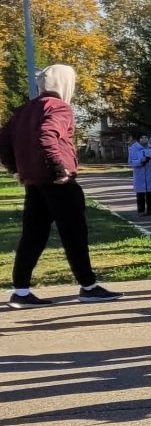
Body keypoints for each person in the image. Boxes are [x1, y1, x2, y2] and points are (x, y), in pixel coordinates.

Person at [1, 64, 120, 305]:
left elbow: (2, 142)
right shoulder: (60, 108)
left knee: (33, 235)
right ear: (66, 83)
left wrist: (16, 169)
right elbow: (47, 134)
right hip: (58, 181)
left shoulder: (24, 110)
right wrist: (58, 168)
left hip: (34, 183)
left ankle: (21, 290)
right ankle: (88, 286)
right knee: (74, 233)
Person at [128, 130, 151, 215]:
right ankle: (141, 210)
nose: (144, 139)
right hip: (140, 173)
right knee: (140, 193)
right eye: (142, 138)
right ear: (138, 139)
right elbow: (131, 161)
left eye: (146, 138)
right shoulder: (133, 148)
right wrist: (140, 161)